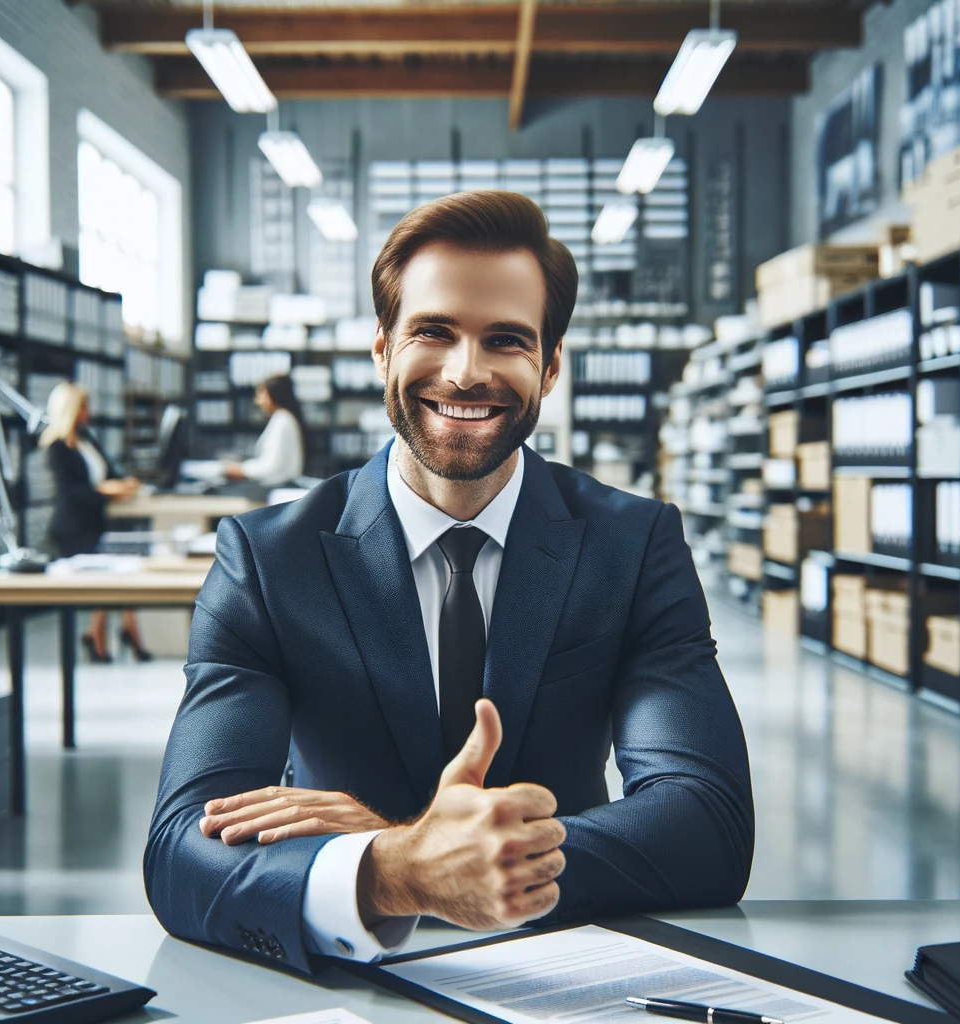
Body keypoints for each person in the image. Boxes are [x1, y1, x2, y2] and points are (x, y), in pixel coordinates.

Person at [145, 191, 753, 973]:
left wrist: (449, 863)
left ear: (552, 364)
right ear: (382, 347)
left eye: (506, 340)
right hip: (345, 982)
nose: (466, 374)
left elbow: (706, 822)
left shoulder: (632, 546)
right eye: (434, 331)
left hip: (568, 969)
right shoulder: (269, 560)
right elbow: (181, 849)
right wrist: (398, 871)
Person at [41, 382, 151, 663]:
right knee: (106, 580)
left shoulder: (87, 438)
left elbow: (108, 470)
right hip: (74, 525)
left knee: (115, 577)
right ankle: (119, 635)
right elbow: (72, 492)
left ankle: (105, 635)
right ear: (70, 409)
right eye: (83, 406)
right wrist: (106, 492)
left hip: (96, 521)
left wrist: (123, 482)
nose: (88, 412)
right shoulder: (57, 446)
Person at [223, 374, 305, 487]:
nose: (258, 401)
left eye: (262, 395)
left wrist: (241, 470)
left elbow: (271, 466)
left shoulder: (282, 419)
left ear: (274, 394)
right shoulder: (282, 418)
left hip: (278, 486)